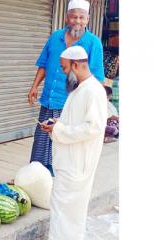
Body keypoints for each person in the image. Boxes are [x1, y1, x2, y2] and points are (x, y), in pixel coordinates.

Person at [28, 0, 104, 176]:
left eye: (81, 17)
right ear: (66, 17)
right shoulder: (55, 37)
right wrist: (34, 87)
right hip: (48, 100)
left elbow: (97, 78)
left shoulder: (93, 43)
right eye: (73, 17)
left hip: (70, 104)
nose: (77, 21)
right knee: (41, 143)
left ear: (88, 19)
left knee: (62, 146)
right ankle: (37, 177)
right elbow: (44, 64)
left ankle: (56, 179)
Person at [40, 46, 107, 240]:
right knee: (62, 211)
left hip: (77, 164)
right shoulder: (79, 89)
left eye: (63, 68)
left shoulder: (93, 91)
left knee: (68, 215)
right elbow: (73, 121)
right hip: (68, 161)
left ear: (76, 65)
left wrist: (58, 130)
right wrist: (56, 124)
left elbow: (92, 128)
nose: (62, 72)